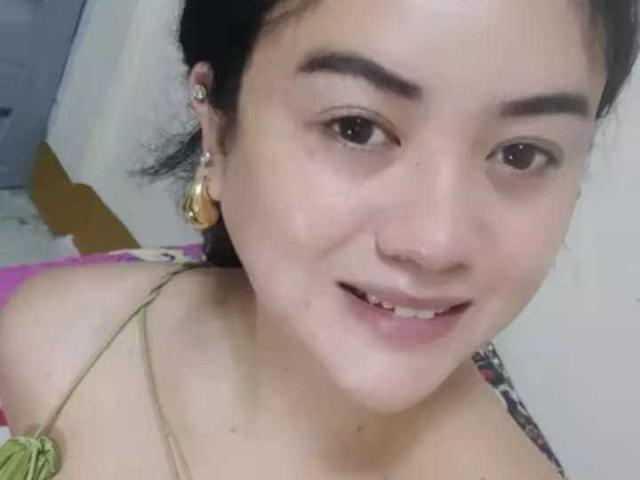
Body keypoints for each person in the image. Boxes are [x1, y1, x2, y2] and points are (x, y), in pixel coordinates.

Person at [0, 0, 638, 479]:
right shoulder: (57, 342)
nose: (436, 242)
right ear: (219, 127)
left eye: (522, 153)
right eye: (356, 128)